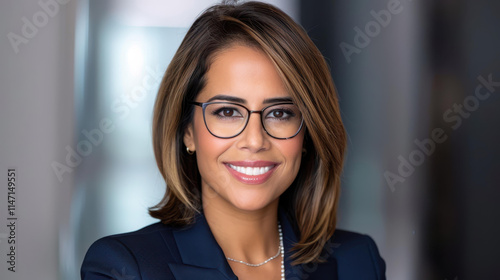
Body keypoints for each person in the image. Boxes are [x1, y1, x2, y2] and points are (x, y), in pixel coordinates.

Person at [81, 1, 386, 279]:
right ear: (188, 131)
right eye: (227, 112)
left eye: (280, 114)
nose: (254, 140)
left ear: (307, 134)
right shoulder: (124, 267)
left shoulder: (357, 260)